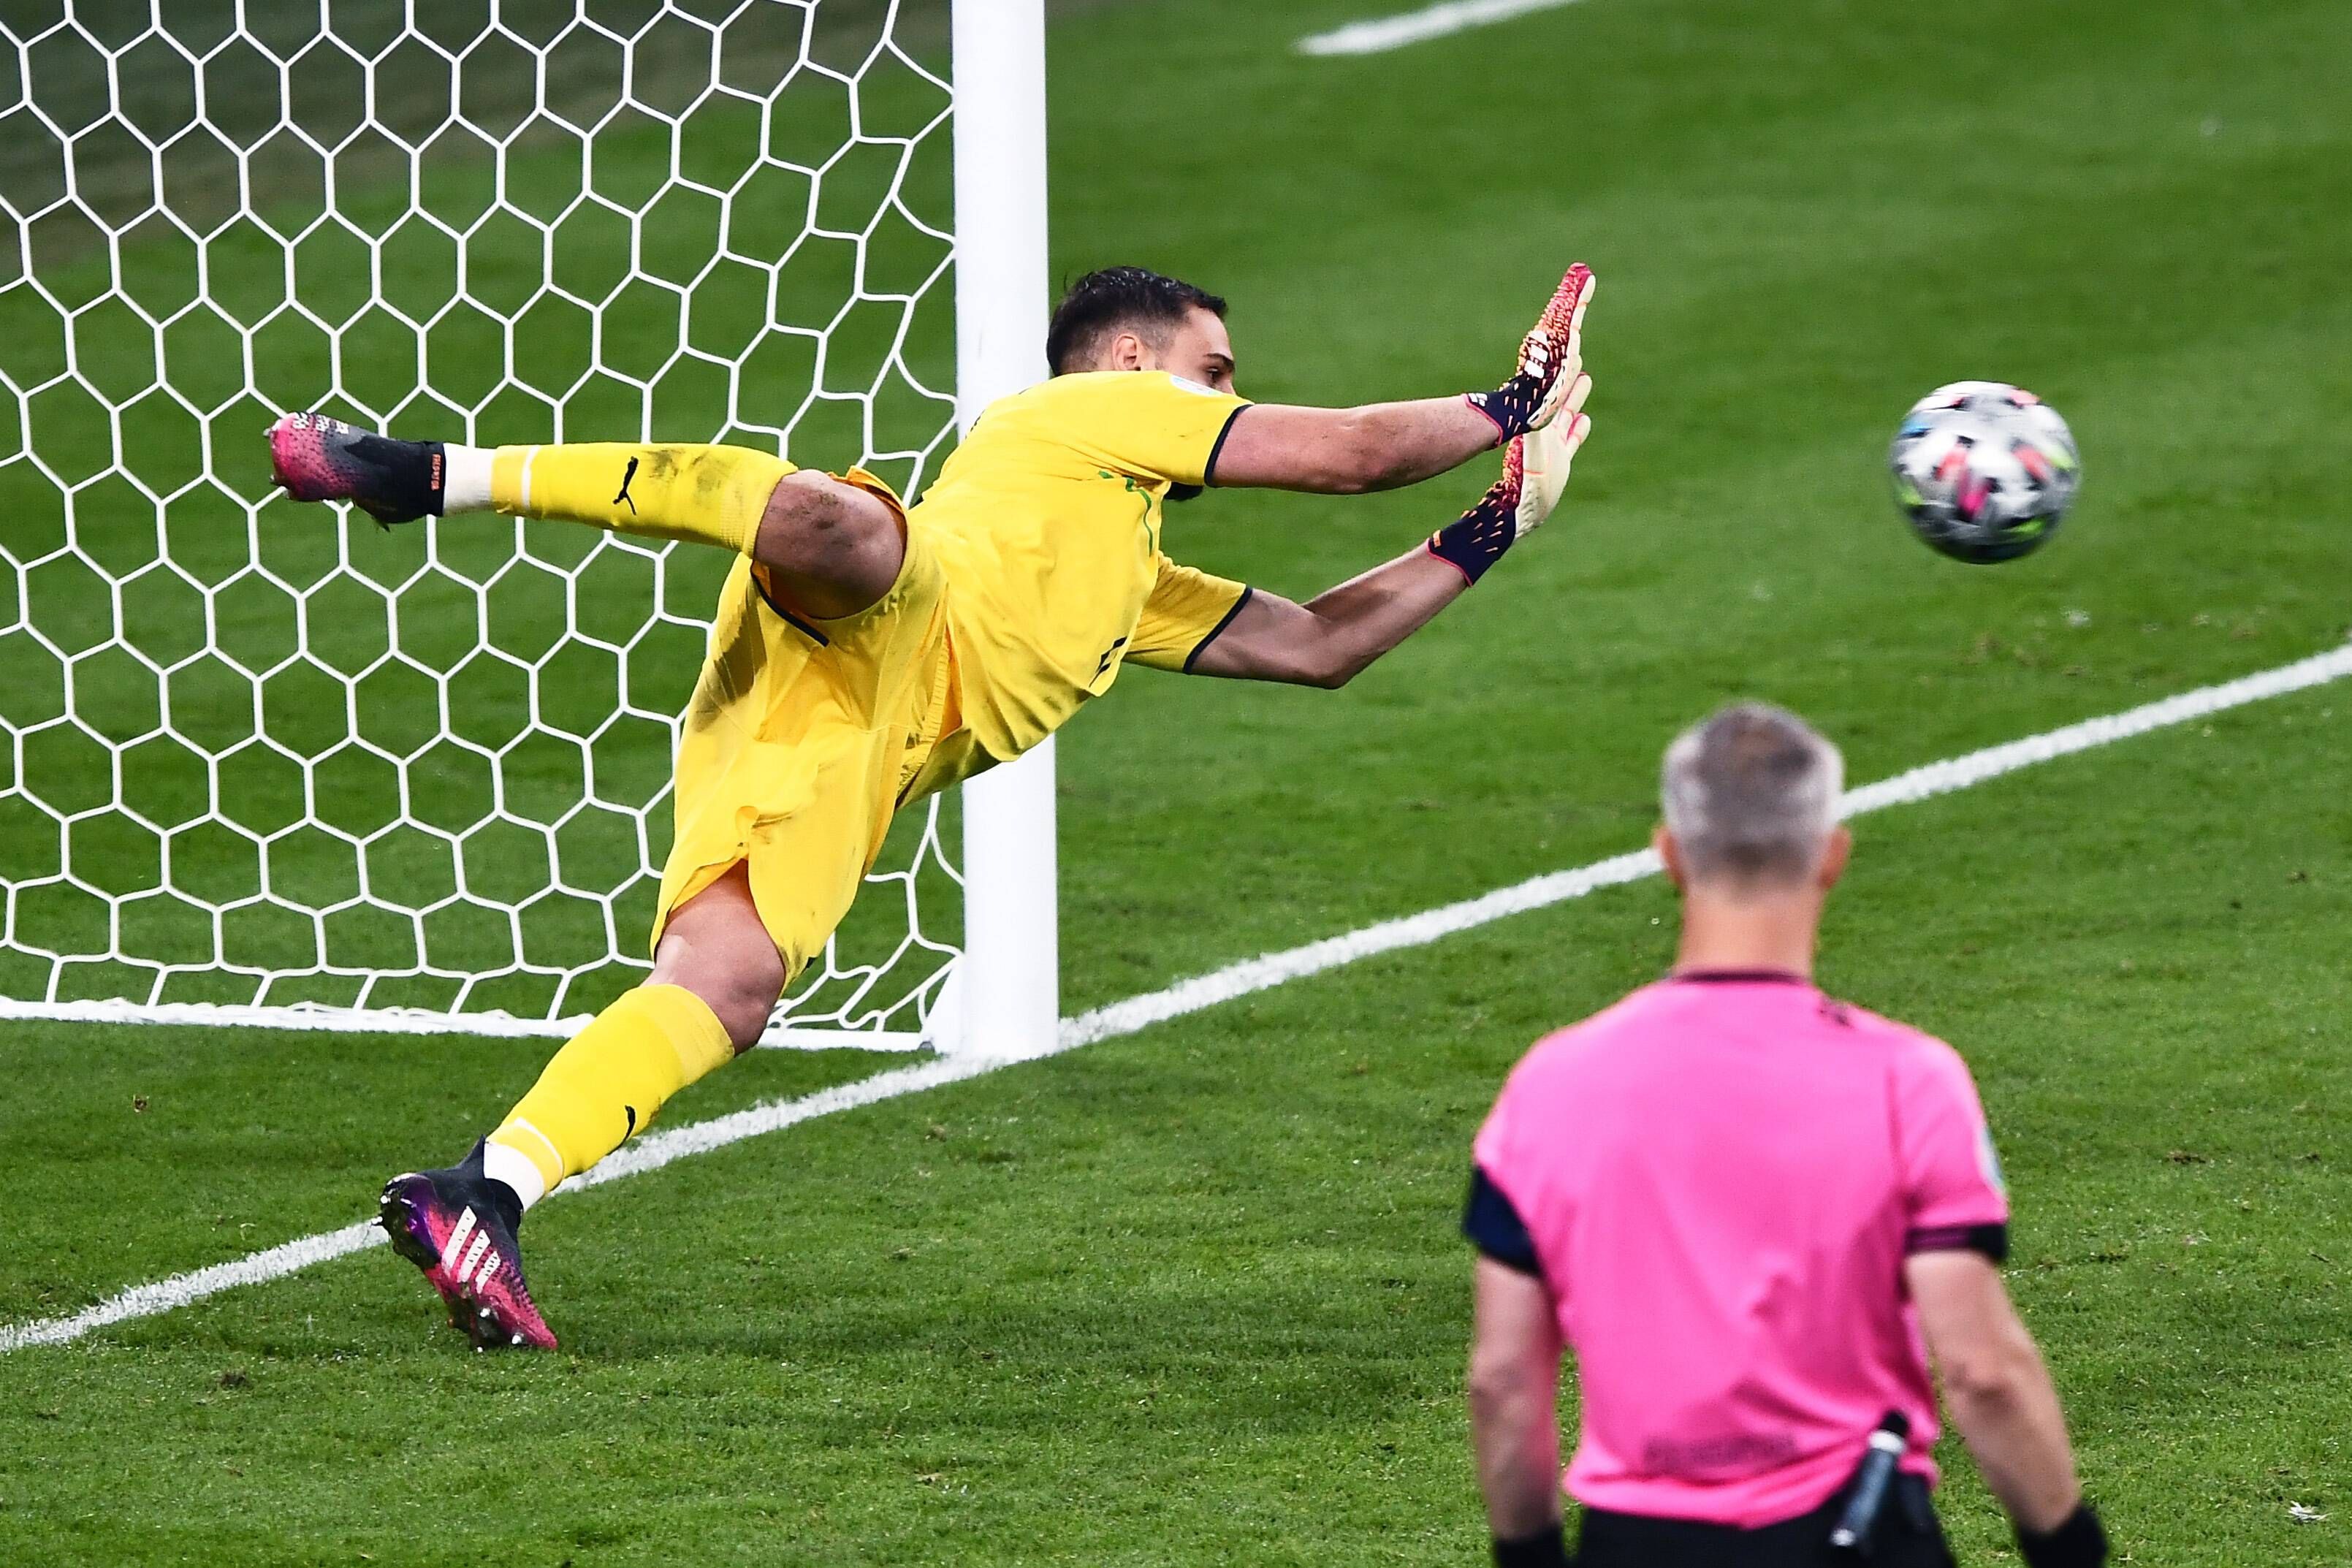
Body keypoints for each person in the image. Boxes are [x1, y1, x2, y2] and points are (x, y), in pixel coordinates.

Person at [268, 261, 1598, 1349]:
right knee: (837, 526)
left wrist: (1491, 528)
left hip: (851, 737)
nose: (1226, 394)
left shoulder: (1130, 570)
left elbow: (1318, 643)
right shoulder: (1073, 413)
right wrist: (1512, 398)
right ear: (1131, 367)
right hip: (894, 603)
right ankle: (427, 474)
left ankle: (481, 1192)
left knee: (722, 989)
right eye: (1214, 369)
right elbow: (1355, 454)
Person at [1461, 704, 2109, 1567]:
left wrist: (1531, 1555)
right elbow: (1984, 1372)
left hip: (1638, 1545)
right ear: (1832, 856)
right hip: (1857, 1535)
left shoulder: (1551, 1081)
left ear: (1670, 856)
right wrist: (2067, 1547)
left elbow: (1502, 1380)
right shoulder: (1907, 1080)